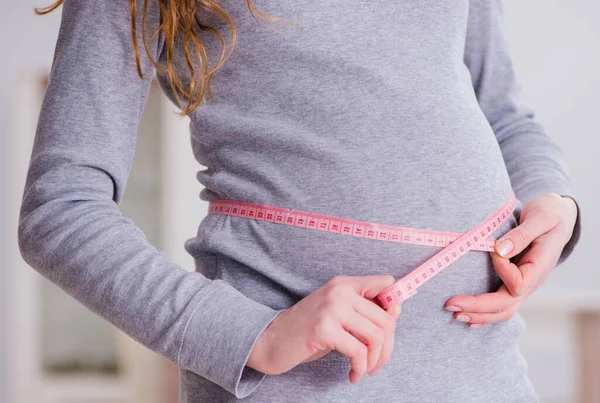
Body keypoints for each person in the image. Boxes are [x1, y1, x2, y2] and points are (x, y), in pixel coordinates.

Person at [19, 1, 582, 402]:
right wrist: (253, 336)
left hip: (487, 368)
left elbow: (501, 111)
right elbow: (61, 210)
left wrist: (551, 199)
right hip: (301, 385)